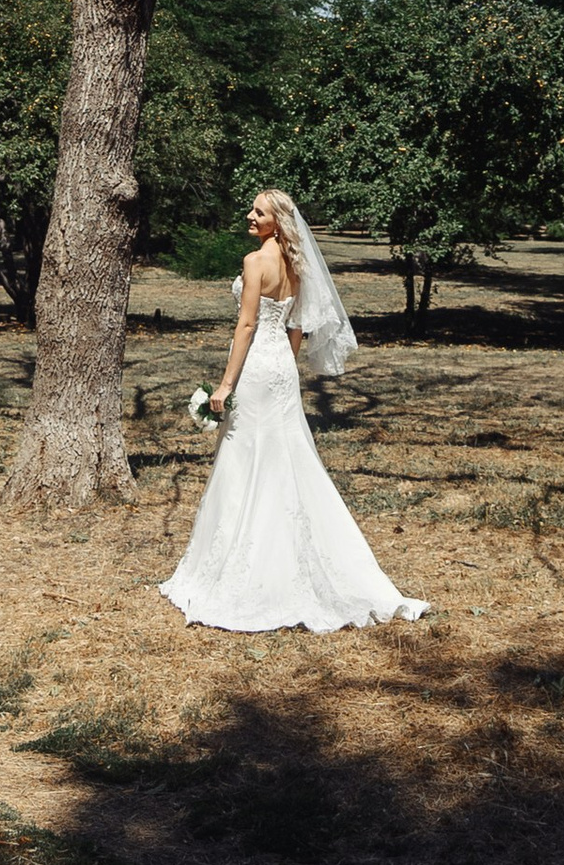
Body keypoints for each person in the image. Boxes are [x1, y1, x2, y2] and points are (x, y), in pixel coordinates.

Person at [158, 188, 426, 633]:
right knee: (285, 454)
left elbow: (246, 324)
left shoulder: (254, 262)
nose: (250, 215)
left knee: (248, 455)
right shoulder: (297, 266)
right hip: (281, 366)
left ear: (276, 222)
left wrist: (225, 385)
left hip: (255, 367)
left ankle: (249, 567)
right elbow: (297, 325)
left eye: (258, 212)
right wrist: (285, 361)